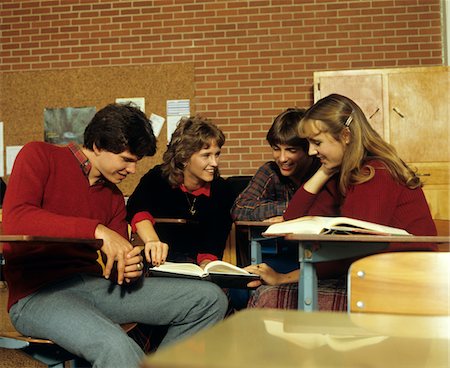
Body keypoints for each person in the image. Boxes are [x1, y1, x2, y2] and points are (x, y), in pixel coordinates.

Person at [2, 104, 228, 368]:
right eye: (126, 159)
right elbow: (17, 218)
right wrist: (97, 230)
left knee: (210, 299)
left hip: (95, 287)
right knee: (117, 348)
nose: (132, 170)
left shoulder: (113, 197)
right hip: (36, 295)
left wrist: (131, 266)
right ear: (98, 145)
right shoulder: (39, 155)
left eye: (136, 162)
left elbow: (118, 267)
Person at [245, 93, 437, 310]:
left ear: (345, 136)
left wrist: (284, 278)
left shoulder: (376, 172)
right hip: (371, 273)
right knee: (266, 293)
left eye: (317, 142)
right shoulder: (342, 173)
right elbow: (292, 218)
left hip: (405, 281)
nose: (311, 151)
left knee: (270, 298)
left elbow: (354, 248)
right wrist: (324, 171)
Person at [126, 115, 235, 268]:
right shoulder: (158, 177)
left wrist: (206, 266)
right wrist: (152, 241)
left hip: (197, 268)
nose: (215, 163)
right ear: (184, 158)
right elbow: (136, 208)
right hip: (158, 265)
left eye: (217, 154)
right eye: (206, 156)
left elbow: (215, 238)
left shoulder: (222, 190)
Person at [231, 107, 320, 223]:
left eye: (291, 150)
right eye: (276, 149)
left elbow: (332, 211)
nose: (282, 158)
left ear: (309, 149)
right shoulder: (270, 171)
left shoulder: (322, 170)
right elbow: (239, 209)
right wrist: (291, 210)